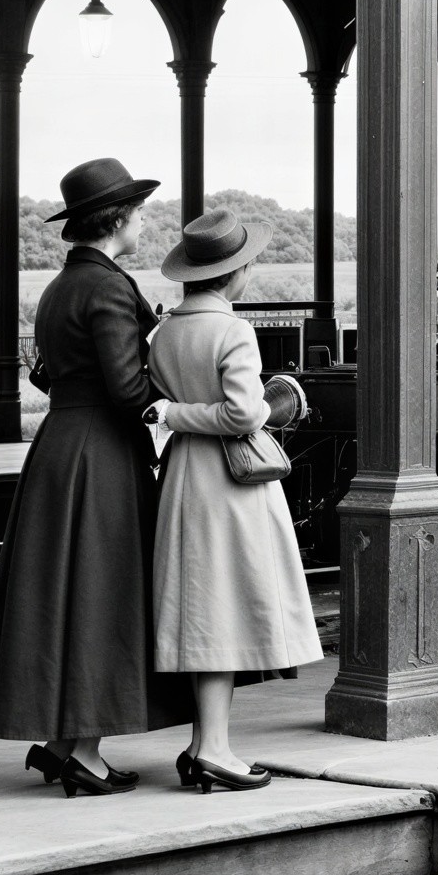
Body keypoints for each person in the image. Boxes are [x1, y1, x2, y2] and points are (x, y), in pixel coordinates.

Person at [0, 158, 190, 795]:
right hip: (100, 454)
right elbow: (127, 390)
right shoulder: (111, 287)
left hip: (59, 443)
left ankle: (63, 744)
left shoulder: (61, 286)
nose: (144, 221)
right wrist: (180, 393)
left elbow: (45, 372)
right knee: (101, 593)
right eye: (139, 212)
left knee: (66, 591)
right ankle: (84, 753)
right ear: (118, 219)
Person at [142, 209, 322, 793]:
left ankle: (204, 745)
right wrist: (266, 408)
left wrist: (173, 413)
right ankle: (212, 748)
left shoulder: (166, 332)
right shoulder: (233, 330)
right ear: (234, 273)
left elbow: (168, 398)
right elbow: (245, 414)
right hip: (231, 481)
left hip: (183, 476)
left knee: (199, 607)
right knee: (222, 609)